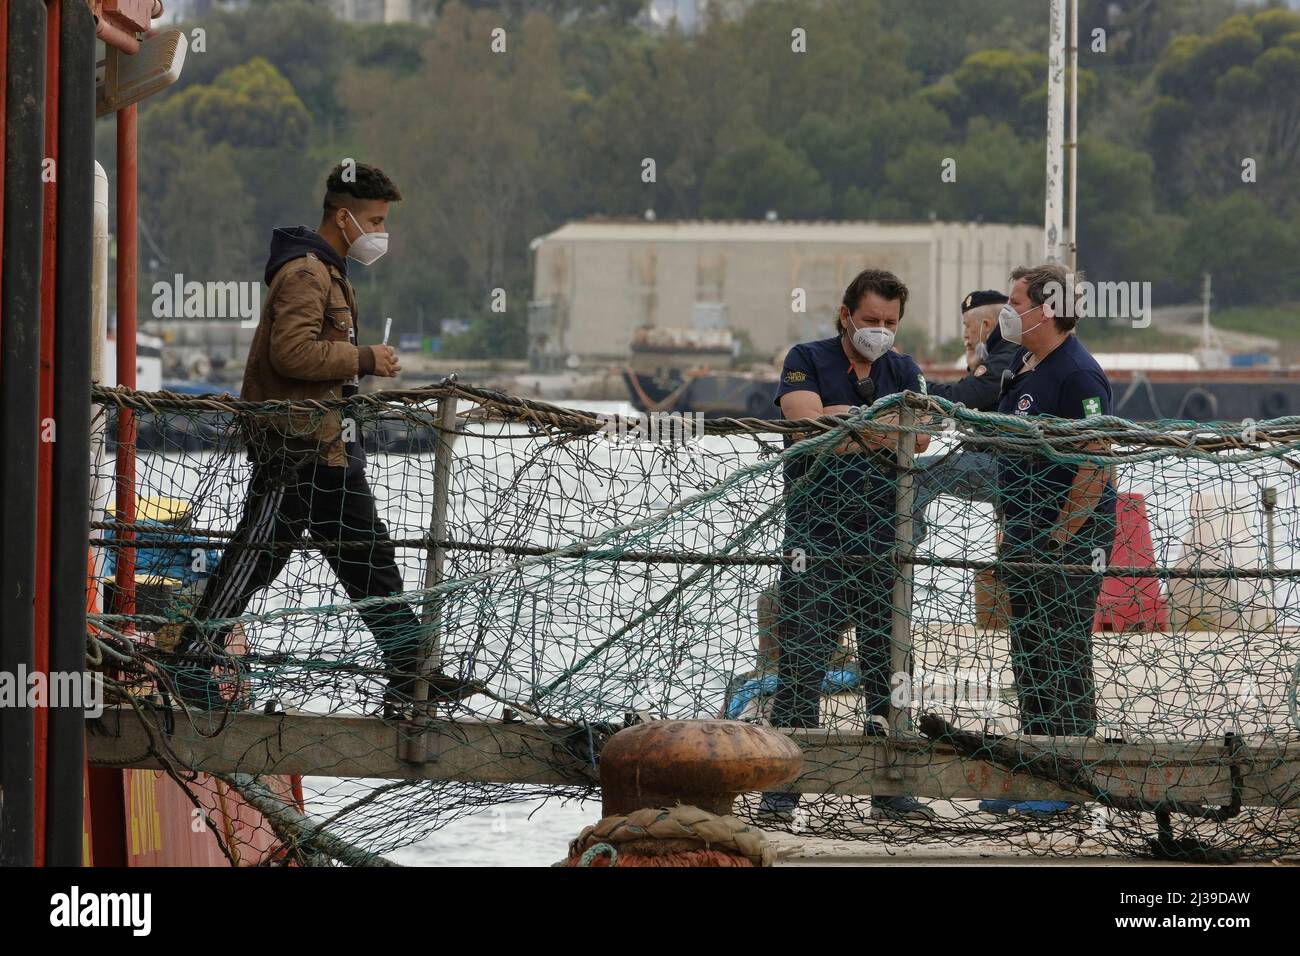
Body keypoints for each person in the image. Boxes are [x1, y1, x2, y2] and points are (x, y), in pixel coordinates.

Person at [166, 162, 425, 716]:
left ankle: (410, 671)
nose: (380, 233)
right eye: (375, 221)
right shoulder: (306, 273)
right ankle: (190, 661)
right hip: (296, 446)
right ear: (344, 216)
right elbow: (292, 353)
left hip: (330, 443)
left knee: (366, 557)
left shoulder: (328, 271)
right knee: (259, 554)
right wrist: (366, 358)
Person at [757, 268, 936, 823]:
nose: (879, 330)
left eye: (890, 322)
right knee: (802, 665)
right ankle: (782, 789)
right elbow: (806, 426)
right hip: (816, 538)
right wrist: (879, 429)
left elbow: (921, 436)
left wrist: (846, 426)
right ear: (845, 315)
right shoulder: (805, 358)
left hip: (885, 540)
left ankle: (891, 787)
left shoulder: (903, 368)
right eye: (870, 320)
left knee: (889, 668)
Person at [986, 263, 1117, 817]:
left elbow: (1096, 462)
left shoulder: (1079, 374)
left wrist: (1061, 537)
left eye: (1016, 301)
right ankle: (1037, 767)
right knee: (1029, 648)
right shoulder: (1022, 363)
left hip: (1068, 539)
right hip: (1023, 530)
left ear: (1046, 309)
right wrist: (1011, 527)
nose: (1006, 312)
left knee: (1063, 648)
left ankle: (1071, 779)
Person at [912, 290, 1017, 542]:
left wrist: (910, 383)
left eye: (967, 326)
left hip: (1008, 470)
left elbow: (960, 398)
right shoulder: (1000, 356)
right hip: (1005, 464)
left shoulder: (1006, 358)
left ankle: (904, 555)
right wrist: (973, 367)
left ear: (986, 325)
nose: (964, 335)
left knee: (915, 476)